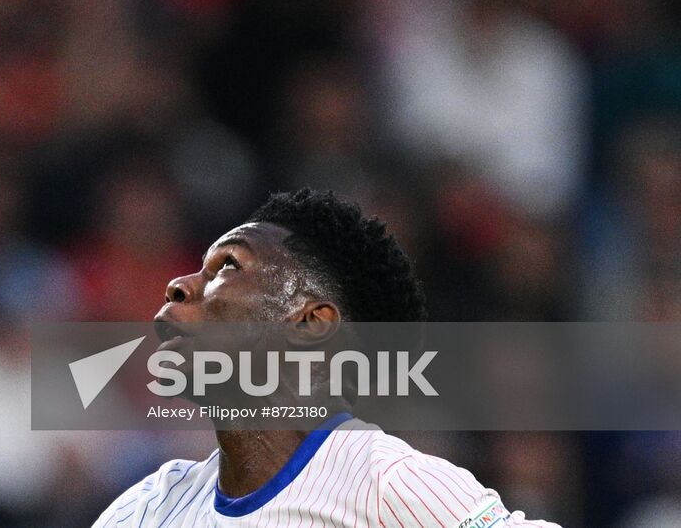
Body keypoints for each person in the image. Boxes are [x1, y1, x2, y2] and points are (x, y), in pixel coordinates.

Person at [91, 188, 561, 527]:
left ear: (310, 323)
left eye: (228, 266)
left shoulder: (385, 483)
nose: (180, 285)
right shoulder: (150, 508)